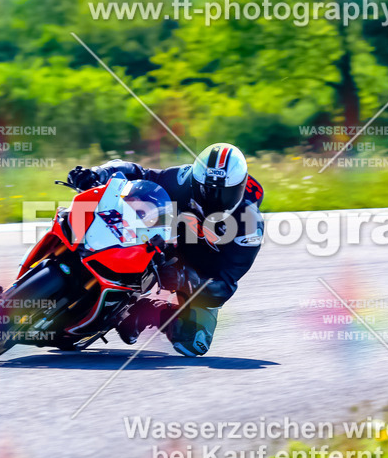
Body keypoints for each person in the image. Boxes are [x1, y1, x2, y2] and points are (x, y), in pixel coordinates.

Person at [66, 143, 265, 356]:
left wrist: (185, 279)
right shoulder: (183, 179)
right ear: (195, 181)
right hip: (163, 244)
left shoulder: (249, 227)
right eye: (207, 190)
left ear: (241, 187)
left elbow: (225, 286)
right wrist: (98, 173)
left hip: (197, 274)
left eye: (224, 193)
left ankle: (150, 309)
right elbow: (140, 173)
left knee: (192, 342)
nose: (214, 199)